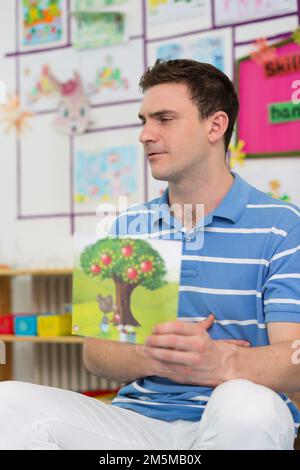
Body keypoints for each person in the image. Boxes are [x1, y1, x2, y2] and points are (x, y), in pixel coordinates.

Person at [0, 59, 300, 450]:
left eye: (164, 119)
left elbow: (292, 358)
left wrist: (220, 363)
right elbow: (96, 354)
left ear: (216, 125)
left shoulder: (283, 225)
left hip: (234, 420)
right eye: (144, 119)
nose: (145, 134)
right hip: (138, 423)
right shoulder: (128, 227)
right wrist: (158, 356)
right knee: (8, 402)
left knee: (247, 403)